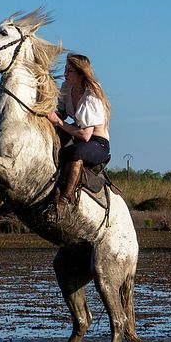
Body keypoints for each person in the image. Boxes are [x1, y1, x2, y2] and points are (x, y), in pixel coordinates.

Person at [46, 53, 111, 221]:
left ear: (81, 74)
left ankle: (63, 202)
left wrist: (59, 122)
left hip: (97, 144)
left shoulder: (91, 97)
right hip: (78, 135)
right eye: (66, 70)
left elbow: (85, 135)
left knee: (74, 152)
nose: (65, 74)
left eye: (70, 71)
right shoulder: (67, 87)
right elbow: (60, 112)